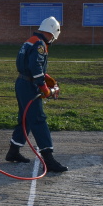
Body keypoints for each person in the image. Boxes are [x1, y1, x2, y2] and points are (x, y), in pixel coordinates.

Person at [5, 16, 69, 173]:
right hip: (29, 85)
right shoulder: (40, 44)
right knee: (38, 119)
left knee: (25, 119)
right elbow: (35, 65)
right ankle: (48, 159)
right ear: (53, 33)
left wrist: (45, 77)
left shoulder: (30, 40)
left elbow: (27, 64)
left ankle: (13, 151)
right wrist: (43, 86)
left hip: (22, 82)